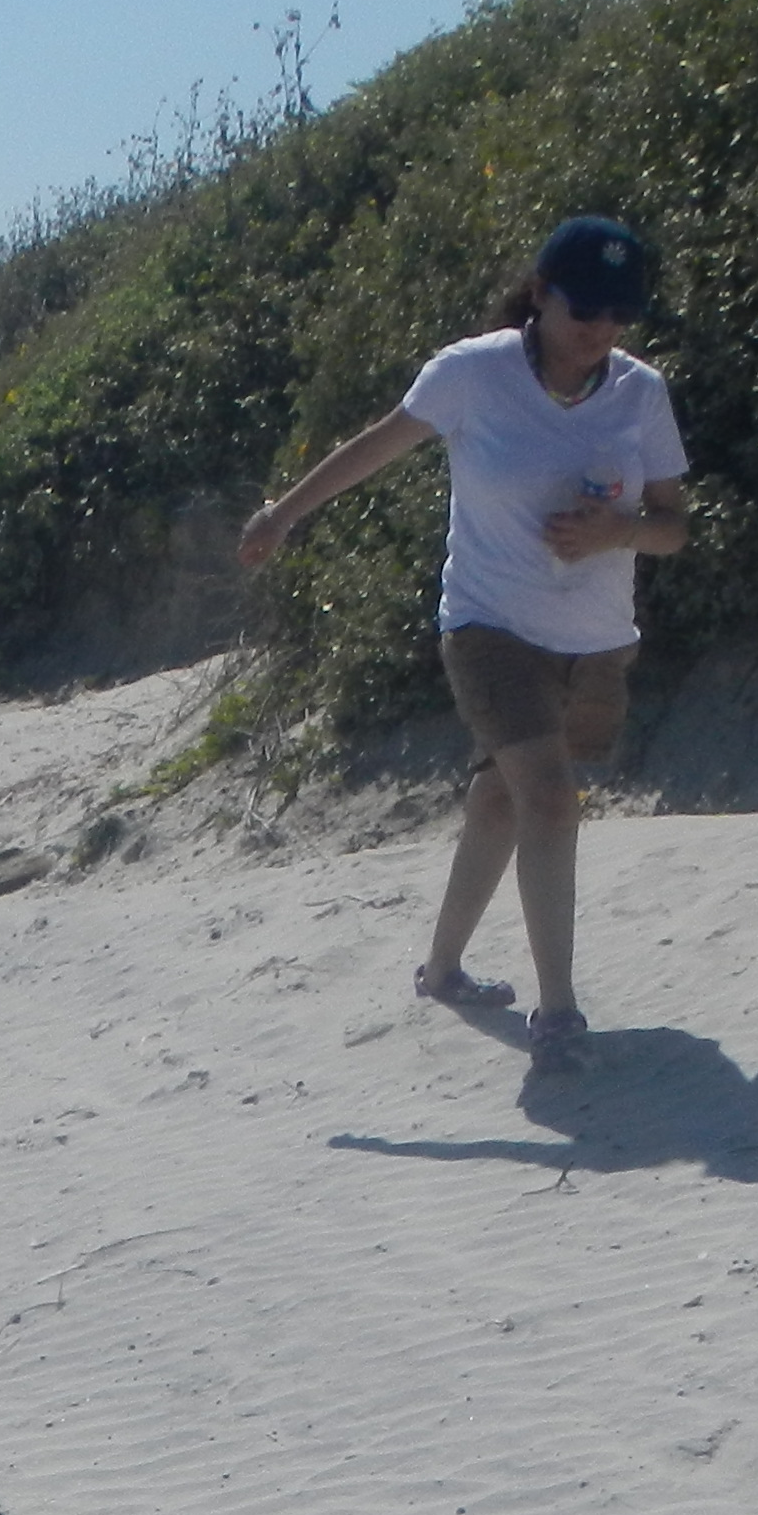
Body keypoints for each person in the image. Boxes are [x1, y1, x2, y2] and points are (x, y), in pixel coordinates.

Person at [234, 214, 689, 1065]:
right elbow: (379, 445)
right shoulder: (471, 374)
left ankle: (441, 970)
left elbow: (672, 528)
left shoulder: (640, 392)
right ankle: (559, 1015)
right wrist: (284, 514)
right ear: (542, 294)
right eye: (584, 309)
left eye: (618, 315)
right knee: (550, 800)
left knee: (501, 798)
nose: (600, 331)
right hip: (488, 626)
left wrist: (613, 531)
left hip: (594, 641)